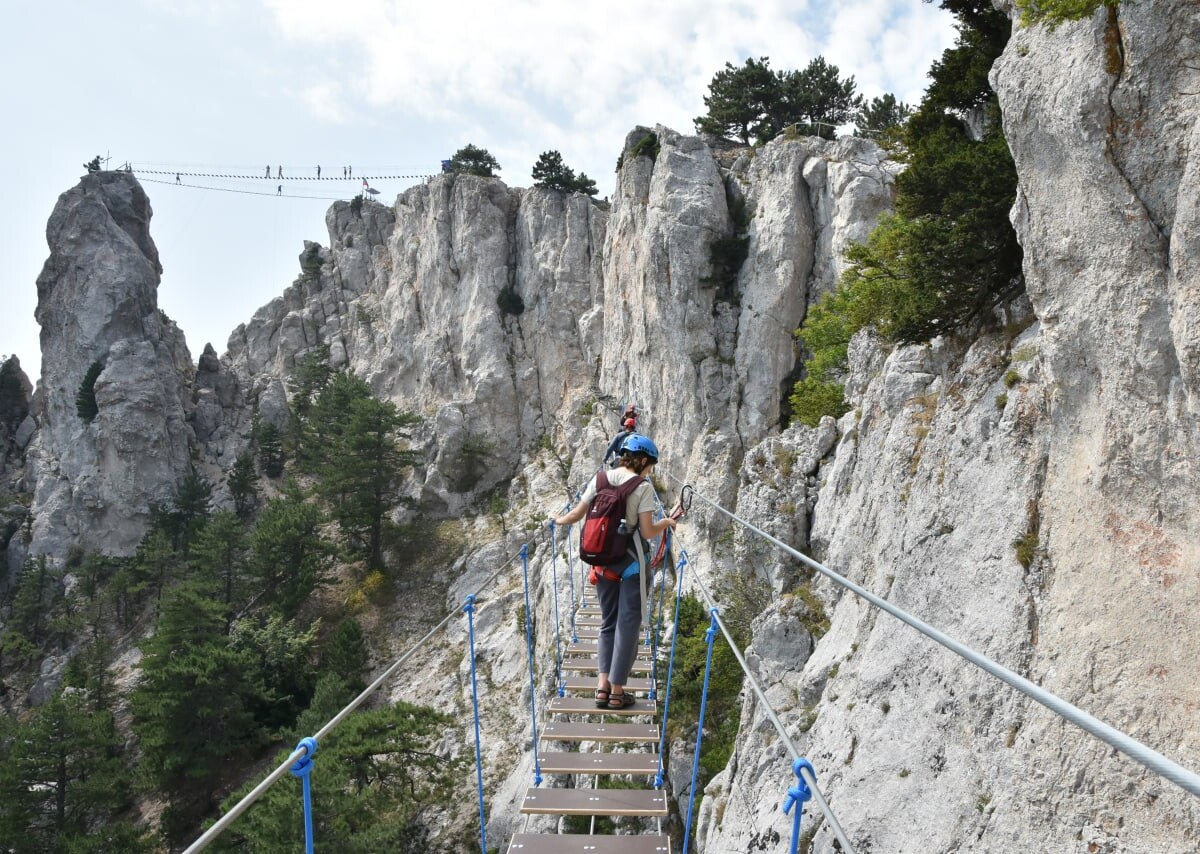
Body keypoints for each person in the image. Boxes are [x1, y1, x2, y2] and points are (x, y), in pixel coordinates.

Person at [553, 435, 679, 710]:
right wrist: (667, 522)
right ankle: (618, 692)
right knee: (628, 626)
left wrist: (557, 521)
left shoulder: (600, 479)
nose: (651, 471)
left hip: (602, 564)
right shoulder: (642, 487)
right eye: (651, 466)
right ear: (643, 460)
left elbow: (575, 515)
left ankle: (601, 688)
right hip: (632, 563)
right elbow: (647, 531)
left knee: (607, 623)